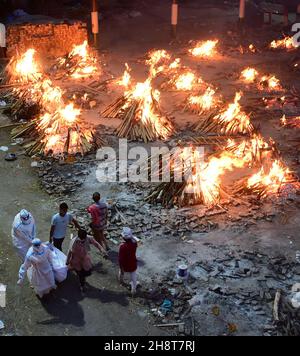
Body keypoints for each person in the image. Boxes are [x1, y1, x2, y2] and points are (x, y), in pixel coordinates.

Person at [118, 227, 140, 296]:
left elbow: (120, 259)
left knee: (121, 272)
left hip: (125, 264)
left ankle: (121, 281)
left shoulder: (122, 246)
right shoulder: (134, 243)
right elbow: (135, 241)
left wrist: (121, 268)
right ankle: (133, 290)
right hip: (132, 262)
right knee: (133, 276)